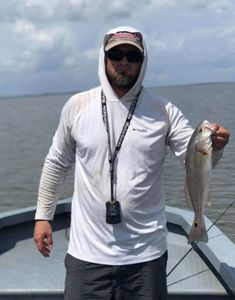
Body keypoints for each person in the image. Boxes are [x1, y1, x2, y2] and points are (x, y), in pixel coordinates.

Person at [33, 26, 230, 300]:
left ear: (142, 62)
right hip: (86, 255)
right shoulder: (77, 106)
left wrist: (215, 145)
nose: (124, 61)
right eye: (116, 53)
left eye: (132, 56)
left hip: (146, 257)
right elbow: (56, 163)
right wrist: (43, 216)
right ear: (104, 58)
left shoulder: (164, 111)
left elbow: (194, 155)